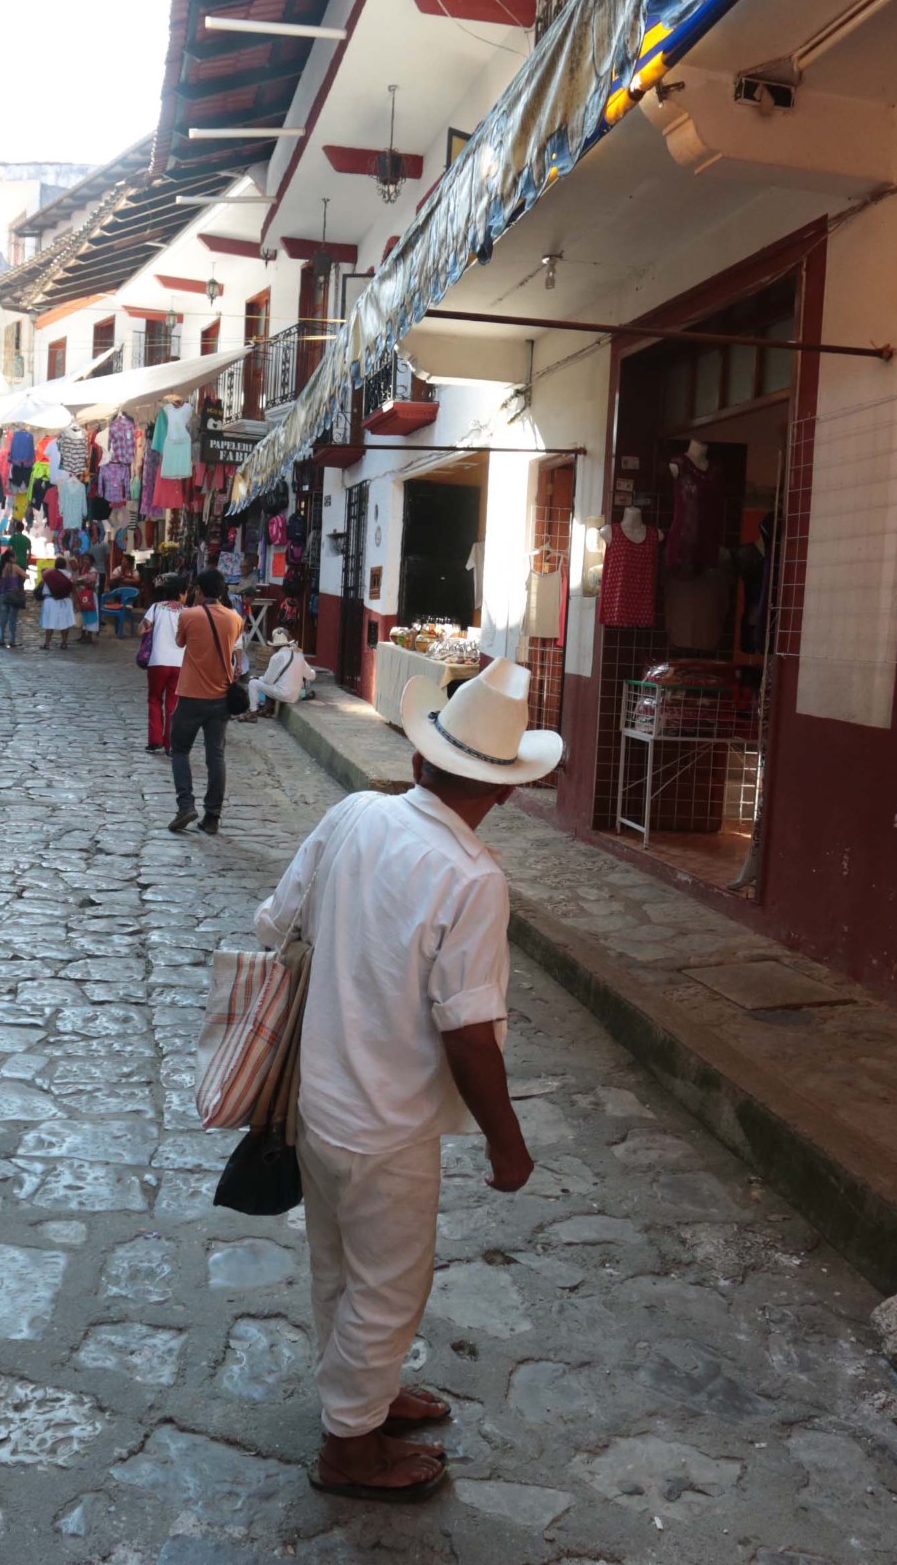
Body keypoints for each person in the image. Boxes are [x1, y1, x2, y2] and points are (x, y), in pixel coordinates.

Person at [252, 657, 559, 1500]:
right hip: (386, 1121)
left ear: (421, 761)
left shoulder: (357, 813)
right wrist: (509, 1141)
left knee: (337, 1270)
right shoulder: (472, 877)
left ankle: (365, 1398)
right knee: (389, 1288)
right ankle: (349, 1449)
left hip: (315, 1100)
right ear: (504, 793)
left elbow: (275, 918)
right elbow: (466, 1033)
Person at [169, 569, 245, 833]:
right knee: (216, 756)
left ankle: (185, 805)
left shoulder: (188, 615)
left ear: (199, 590)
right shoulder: (235, 619)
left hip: (191, 694)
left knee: (179, 751)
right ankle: (212, 816)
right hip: (221, 697)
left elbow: (180, 643)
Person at [141, 575, 186, 754]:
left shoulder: (156, 608)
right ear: (182, 593)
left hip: (157, 661)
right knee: (173, 704)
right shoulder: (187, 612)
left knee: (154, 699)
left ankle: (154, 740)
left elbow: (141, 629)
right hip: (179, 663)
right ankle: (170, 744)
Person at [241, 626, 310, 720]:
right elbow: (311, 675)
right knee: (273, 683)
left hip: (284, 694)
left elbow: (268, 681)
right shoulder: (299, 654)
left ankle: (252, 713)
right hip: (296, 695)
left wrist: (258, 678)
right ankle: (268, 709)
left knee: (253, 683)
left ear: (275, 645)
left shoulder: (277, 657)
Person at [39, 557, 76, 652]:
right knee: (65, 623)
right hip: (64, 600)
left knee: (49, 623)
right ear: (65, 565)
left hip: (50, 600)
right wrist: (76, 602)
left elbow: (42, 585)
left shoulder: (48, 574)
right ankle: (64, 643)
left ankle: (47, 643)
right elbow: (72, 588)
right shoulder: (68, 575)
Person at [0, 551, 27, 649]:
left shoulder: (0, 567)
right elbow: (26, 575)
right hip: (13, 595)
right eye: (15, 556)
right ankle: (11, 640)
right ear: (11, 558)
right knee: (12, 620)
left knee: (3, 619)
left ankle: (1, 639)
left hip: (3, 595)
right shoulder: (15, 567)